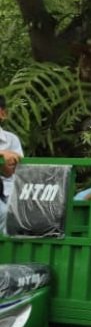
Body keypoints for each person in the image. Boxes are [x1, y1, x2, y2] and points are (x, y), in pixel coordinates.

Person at [0, 95, 24, 231]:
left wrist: (5, 165)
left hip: (8, 191)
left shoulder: (11, 139)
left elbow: (11, 173)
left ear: (3, 114)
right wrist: (2, 153)